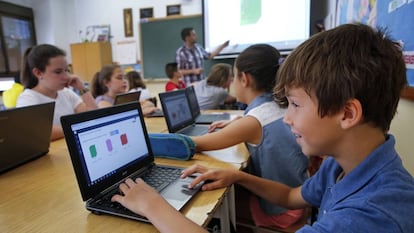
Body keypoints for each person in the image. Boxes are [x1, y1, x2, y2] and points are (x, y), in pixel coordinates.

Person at [111, 24, 414, 232]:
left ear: (347, 113)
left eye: (295, 105)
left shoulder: (370, 217)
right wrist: (238, 175)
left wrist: (154, 206)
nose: (286, 118)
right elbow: (293, 196)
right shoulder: (344, 164)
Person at [114, 43, 309, 230]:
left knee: (200, 209)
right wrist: (236, 125)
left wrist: (138, 140)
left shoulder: (252, 122)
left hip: (282, 210)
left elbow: (189, 145)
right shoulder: (278, 106)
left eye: (233, 77)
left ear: (245, 79)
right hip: (297, 198)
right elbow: (259, 124)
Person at [16, 44, 97, 141]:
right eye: (58, 72)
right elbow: (41, 133)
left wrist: (82, 89)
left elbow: (94, 116)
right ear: (38, 73)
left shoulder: (66, 93)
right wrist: (77, 127)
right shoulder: (28, 99)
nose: (66, 77)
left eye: (66, 70)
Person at [90, 65, 157, 115]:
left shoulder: (123, 98)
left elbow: (149, 104)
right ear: (106, 82)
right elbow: (117, 116)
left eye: (124, 77)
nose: (124, 81)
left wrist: (138, 110)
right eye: (119, 78)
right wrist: (141, 111)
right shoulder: (102, 102)